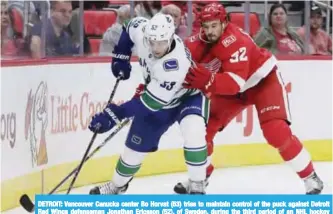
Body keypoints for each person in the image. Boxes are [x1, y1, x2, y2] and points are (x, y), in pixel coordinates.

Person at [173, 3, 324, 195]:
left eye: (214, 26)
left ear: (224, 23)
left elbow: (234, 83)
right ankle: (200, 176)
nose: (210, 31)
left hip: (262, 81)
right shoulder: (194, 43)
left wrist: (207, 80)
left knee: (275, 130)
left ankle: (310, 177)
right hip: (230, 88)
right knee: (201, 130)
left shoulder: (235, 39)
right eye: (206, 26)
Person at [88, 13, 210, 195]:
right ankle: (117, 186)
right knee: (133, 150)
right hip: (157, 97)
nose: (156, 47)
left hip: (186, 97)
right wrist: (121, 55)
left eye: (161, 42)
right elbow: (129, 26)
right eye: (152, 42)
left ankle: (197, 185)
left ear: (170, 37)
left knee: (194, 134)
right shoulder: (143, 31)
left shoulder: (174, 64)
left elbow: (147, 103)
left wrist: (114, 114)